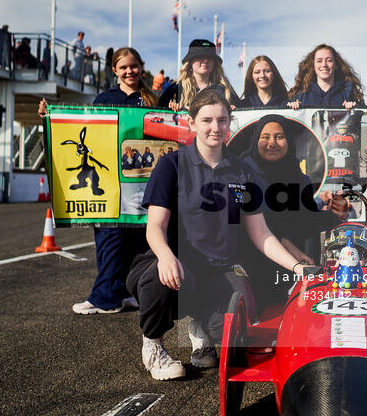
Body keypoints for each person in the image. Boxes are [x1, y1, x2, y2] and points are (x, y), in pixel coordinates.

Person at [126, 90, 312, 380]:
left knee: (235, 338)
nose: (216, 127)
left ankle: (202, 327)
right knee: (158, 280)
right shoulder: (171, 165)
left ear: (230, 123)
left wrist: (297, 267)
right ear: (192, 124)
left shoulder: (243, 171)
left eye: (222, 120)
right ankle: (153, 343)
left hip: (221, 268)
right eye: (207, 120)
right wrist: (165, 257)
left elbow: (260, 233)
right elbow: (155, 228)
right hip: (178, 264)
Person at [38, 47, 160, 314]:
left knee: (140, 243)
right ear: (114, 70)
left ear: (142, 67)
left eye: (134, 66)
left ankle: (128, 293)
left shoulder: (152, 100)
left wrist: (174, 110)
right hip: (109, 186)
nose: (130, 72)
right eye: (124, 67)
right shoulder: (104, 99)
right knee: (109, 238)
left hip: (141, 184)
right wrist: (50, 117)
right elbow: (87, 133)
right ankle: (105, 297)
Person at [240, 114, 349, 302]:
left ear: (289, 141)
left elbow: (306, 220)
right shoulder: (242, 171)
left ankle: (307, 292)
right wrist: (287, 245)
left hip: (290, 261)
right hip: (252, 256)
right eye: (265, 137)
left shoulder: (298, 177)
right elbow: (256, 223)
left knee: (310, 235)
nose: (272, 143)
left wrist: (339, 214)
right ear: (256, 139)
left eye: (279, 137)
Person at [158, 39, 238, 111]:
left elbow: (241, 112)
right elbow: (157, 114)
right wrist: (172, 109)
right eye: (200, 56)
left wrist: (233, 109)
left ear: (214, 63)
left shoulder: (225, 88)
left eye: (210, 57)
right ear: (190, 62)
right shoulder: (175, 89)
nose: (206, 60)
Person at [287, 44, 364, 109]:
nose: (324, 65)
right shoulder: (301, 94)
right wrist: (291, 109)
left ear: (336, 65)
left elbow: (359, 122)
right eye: (319, 61)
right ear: (313, 65)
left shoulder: (348, 93)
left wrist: (353, 110)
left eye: (329, 60)